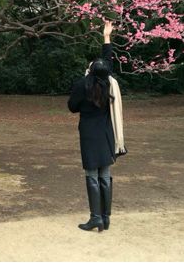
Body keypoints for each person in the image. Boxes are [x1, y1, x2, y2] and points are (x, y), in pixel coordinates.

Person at [67, 21, 116, 232]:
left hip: (89, 134)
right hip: (106, 134)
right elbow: (107, 62)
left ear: (90, 71)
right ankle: (105, 217)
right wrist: (106, 37)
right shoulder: (109, 82)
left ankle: (96, 217)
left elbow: (72, 107)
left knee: (92, 175)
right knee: (105, 174)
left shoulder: (82, 85)